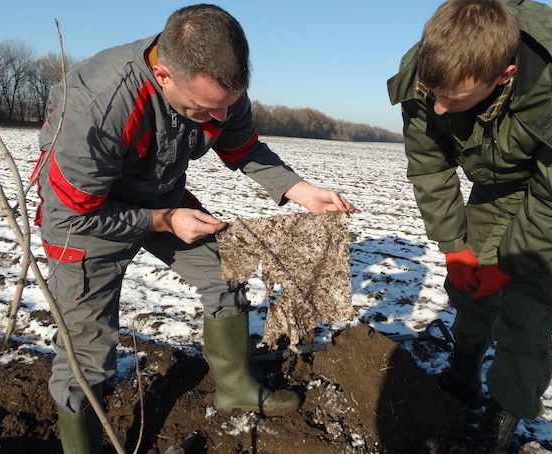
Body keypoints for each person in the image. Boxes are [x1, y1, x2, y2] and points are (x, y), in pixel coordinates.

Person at [33, 4, 355, 453]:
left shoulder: (220, 86)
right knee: (87, 352)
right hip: (85, 221)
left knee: (226, 270)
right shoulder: (97, 106)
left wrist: (300, 190)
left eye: (226, 107)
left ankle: (234, 385)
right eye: (204, 110)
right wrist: (165, 220)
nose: (217, 120)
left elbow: (242, 145)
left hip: (159, 196)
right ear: (163, 76)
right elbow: (71, 216)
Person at [387, 0, 552, 452]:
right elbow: (428, 165)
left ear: (505, 75)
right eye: (433, 92)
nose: (438, 108)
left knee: (530, 311)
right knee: (473, 284)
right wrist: (453, 246)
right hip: (498, 177)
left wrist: (511, 266)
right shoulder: (430, 70)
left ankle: (499, 425)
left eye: (454, 99)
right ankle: (462, 381)